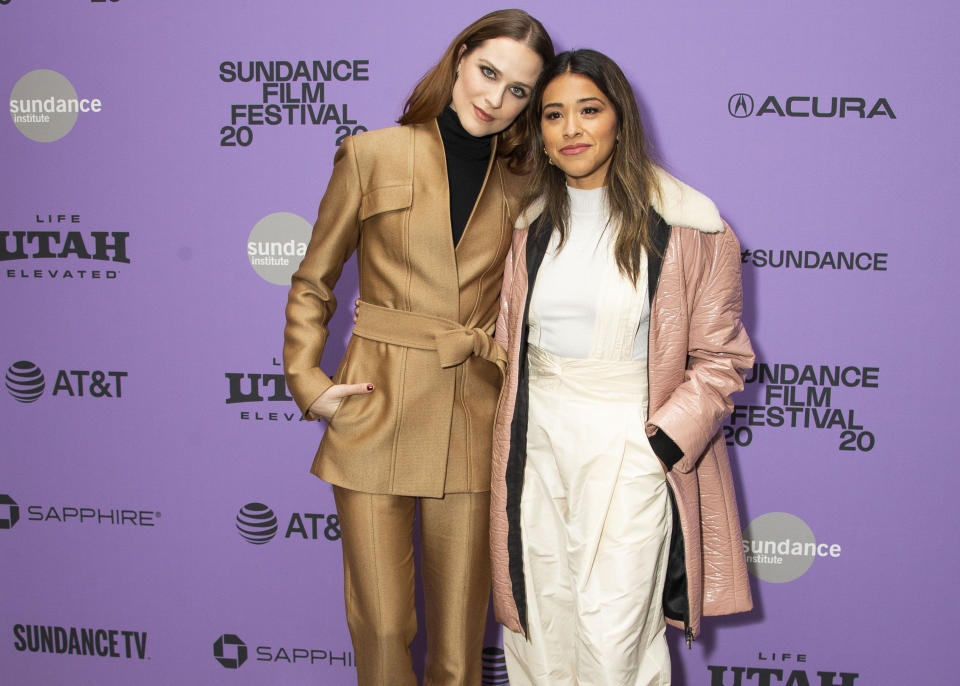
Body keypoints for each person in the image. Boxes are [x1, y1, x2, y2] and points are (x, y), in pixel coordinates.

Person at [283, 10, 553, 686]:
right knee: (381, 629)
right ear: (460, 58)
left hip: (470, 415)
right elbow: (314, 280)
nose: (494, 99)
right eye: (488, 72)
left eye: (518, 90)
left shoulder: (528, 180)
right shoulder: (372, 153)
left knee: (460, 651)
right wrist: (309, 382)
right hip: (375, 408)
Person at [489, 49, 755, 686]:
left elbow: (723, 361)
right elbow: (509, 348)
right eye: (553, 115)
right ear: (540, 134)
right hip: (537, 442)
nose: (571, 129)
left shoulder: (693, 226)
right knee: (538, 625)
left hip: (631, 444)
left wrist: (661, 442)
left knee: (614, 636)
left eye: (589, 110)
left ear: (619, 120)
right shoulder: (527, 228)